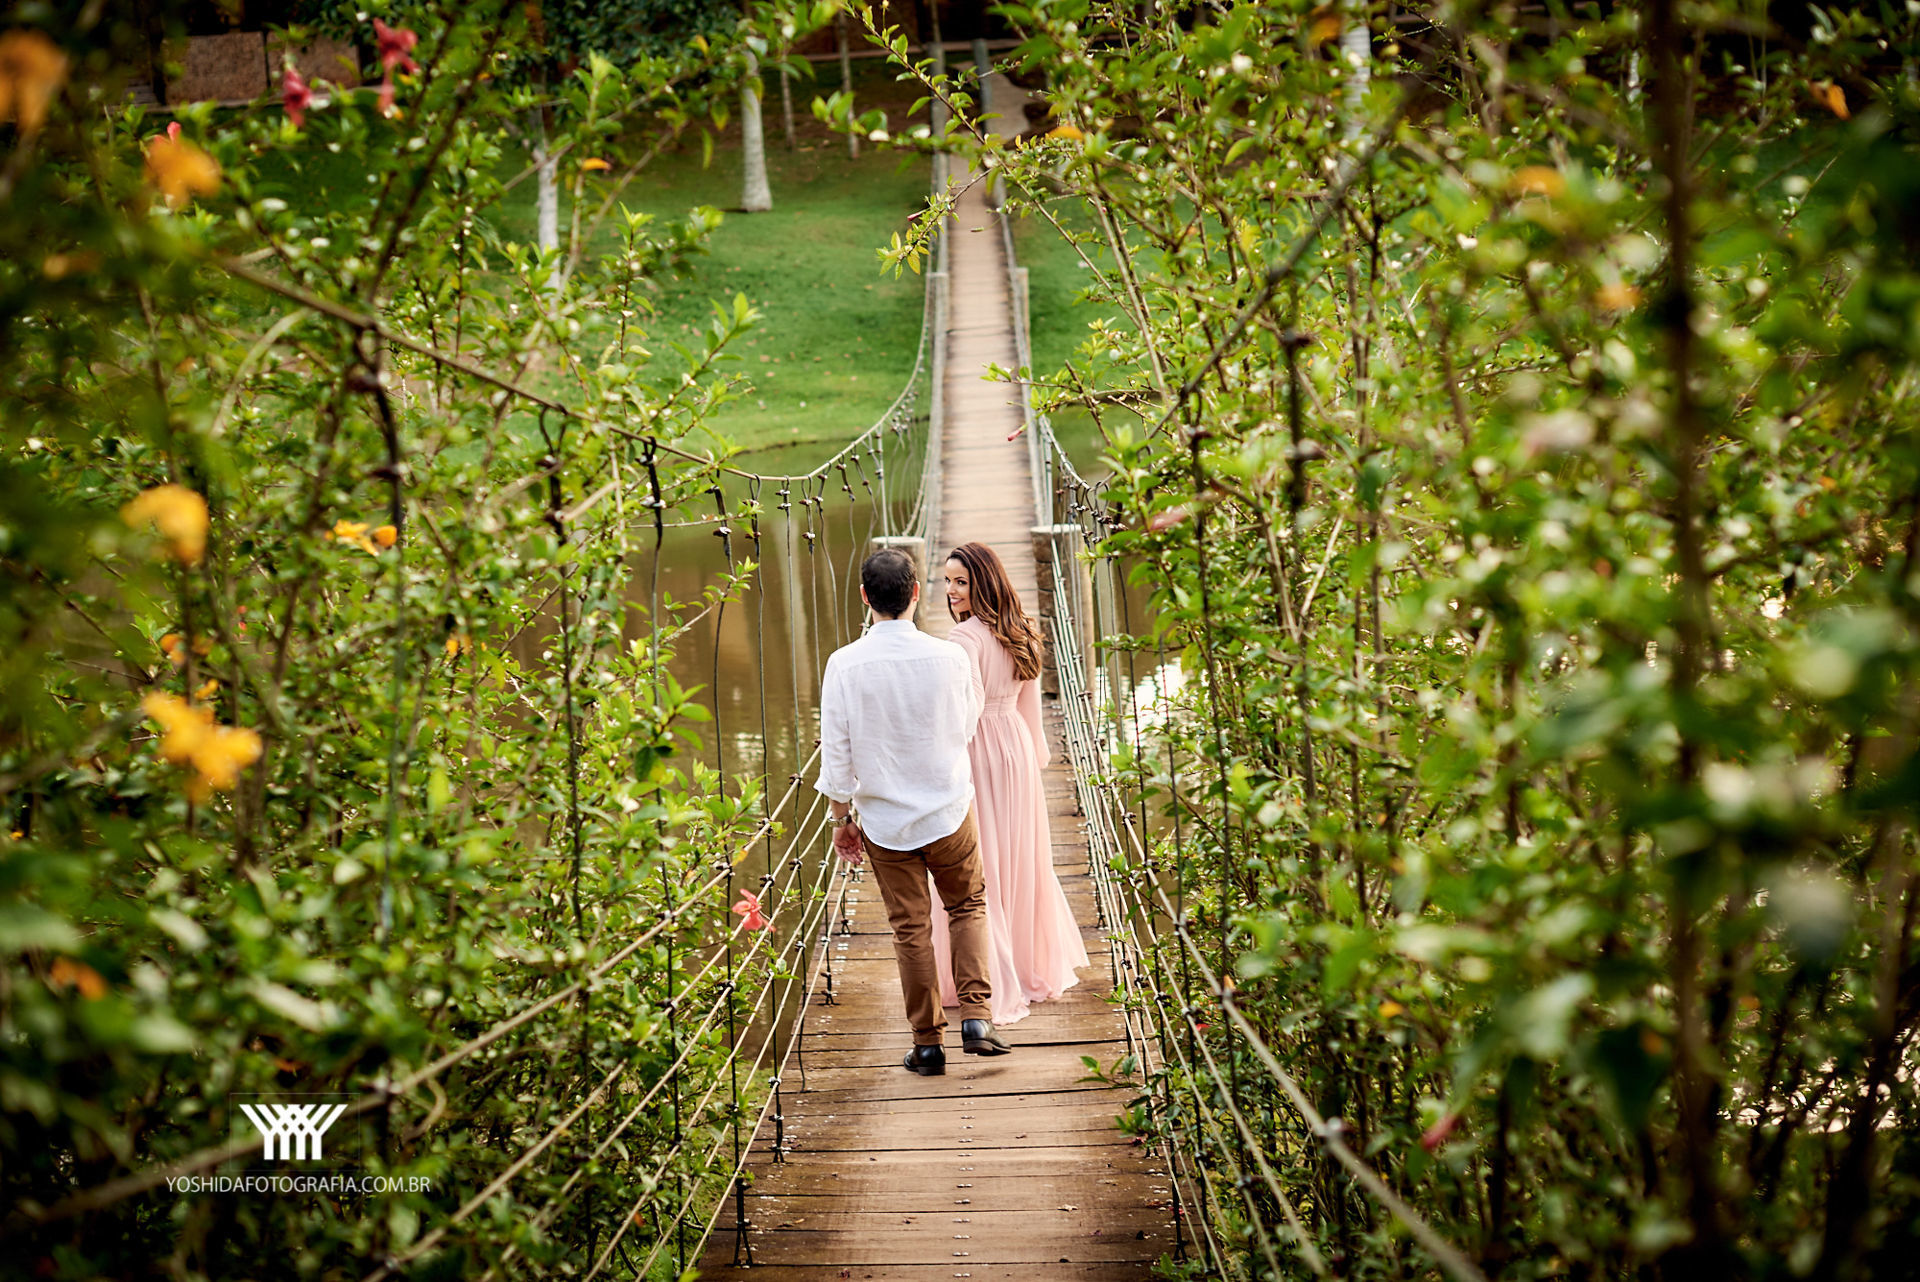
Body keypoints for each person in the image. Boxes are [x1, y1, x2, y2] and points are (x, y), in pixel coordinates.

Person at [816, 547, 1015, 1076]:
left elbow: (836, 755)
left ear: (865, 597)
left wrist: (842, 820)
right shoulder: (950, 657)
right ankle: (977, 1018)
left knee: (910, 929)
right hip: (949, 811)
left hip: (884, 823)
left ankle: (927, 1045)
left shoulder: (842, 664)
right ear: (916, 594)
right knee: (967, 906)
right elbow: (968, 722)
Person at [930, 542, 1089, 1018]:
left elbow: (961, 714)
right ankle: (1021, 965)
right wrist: (1033, 755)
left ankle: (986, 974)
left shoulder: (962, 642)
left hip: (978, 749)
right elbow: (1029, 709)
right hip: (1015, 748)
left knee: (982, 865)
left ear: (983, 581)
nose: (953, 591)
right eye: (947, 581)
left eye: (961, 581)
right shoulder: (1022, 632)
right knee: (1019, 857)